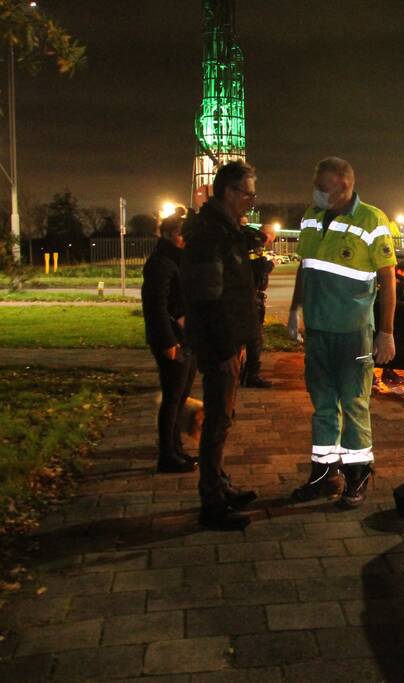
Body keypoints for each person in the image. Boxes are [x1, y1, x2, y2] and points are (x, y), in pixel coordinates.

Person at [288, 157, 397, 509]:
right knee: (322, 405)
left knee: (353, 404)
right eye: (315, 186)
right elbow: (305, 268)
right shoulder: (310, 216)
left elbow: (388, 280)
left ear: (344, 185)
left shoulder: (372, 221)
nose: (317, 193)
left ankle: (357, 476)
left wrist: (387, 332)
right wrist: (295, 309)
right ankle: (322, 475)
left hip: (354, 334)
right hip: (319, 332)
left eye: (323, 187)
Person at [181, 161, 260, 530]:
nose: (251, 201)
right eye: (248, 194)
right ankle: (211, 503)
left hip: (228, 339)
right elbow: (210, 298)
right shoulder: (211, 234)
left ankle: (219, 484)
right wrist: (227, 348)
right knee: (217, 420)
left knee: (223, 418)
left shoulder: (226, 231)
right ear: (229, 192)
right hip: (219, 343)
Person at [142, 209, 197, 474]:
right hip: (173, 339)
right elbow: (155, 306)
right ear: (166, 234)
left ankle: (176, 448)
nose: (183, 239)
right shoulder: (161, 263)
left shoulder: (177, 259)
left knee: (181, 396)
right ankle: (167, 453)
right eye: (179, 235)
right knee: (172, 398)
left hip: (185, 337)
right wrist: (167, 340)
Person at [241, 222, 275, 388]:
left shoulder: (244, 242)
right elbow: (256, 270)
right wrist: (269, 265)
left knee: (247, 338)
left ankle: (243, 371)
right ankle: (251, 375)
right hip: (250, 298)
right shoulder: (253, 244)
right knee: (254, 338)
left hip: (248, 296)